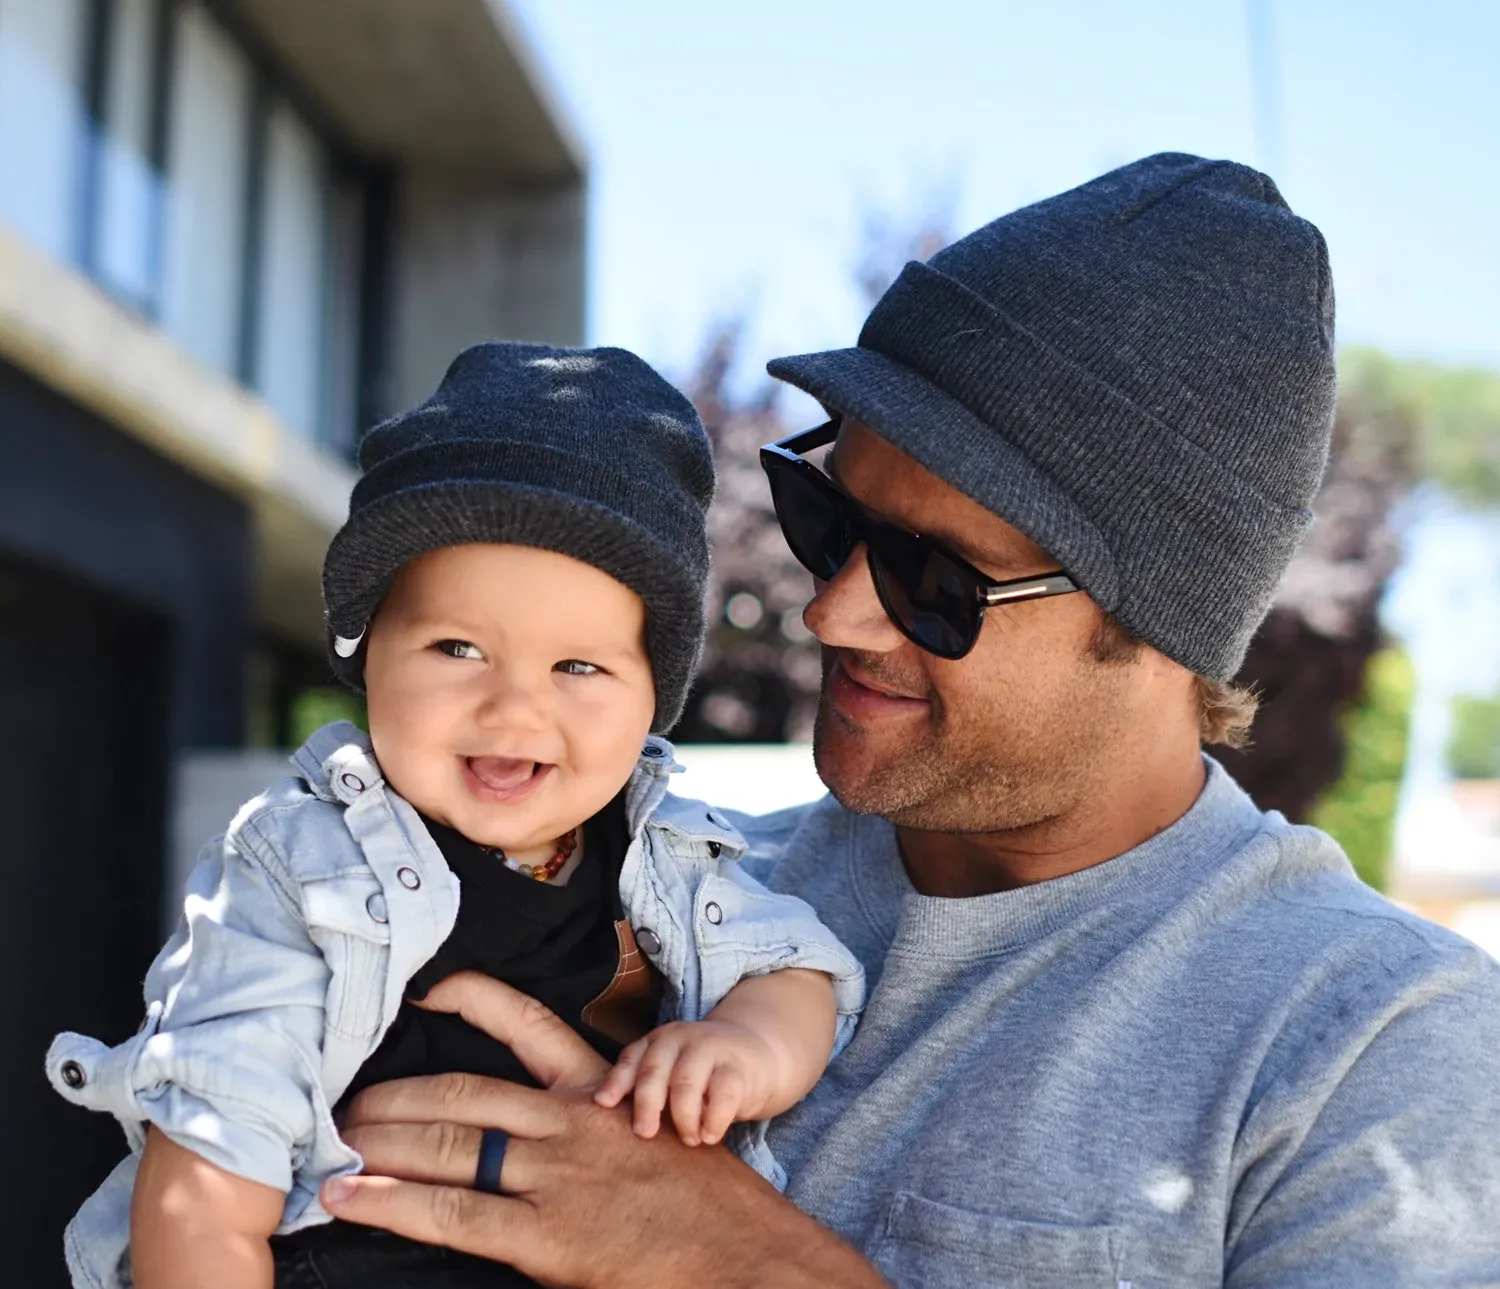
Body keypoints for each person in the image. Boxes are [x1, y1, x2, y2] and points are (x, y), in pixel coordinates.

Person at [307, 154, 1500, 1287]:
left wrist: (735, 1259)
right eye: (832, 522)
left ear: (1160, 630)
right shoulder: (659, 901)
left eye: (935, 578)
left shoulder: (1373, 1039)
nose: (833, 610)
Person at [45, 342, 865, 1289]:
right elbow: (210, 1154)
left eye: (579, 667)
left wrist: (744, 1044)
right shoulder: (303, 862)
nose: (515, 709)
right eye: (458, 646)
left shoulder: (674, 856)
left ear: (653, 697)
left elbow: (796, 969)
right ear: (367, 653)